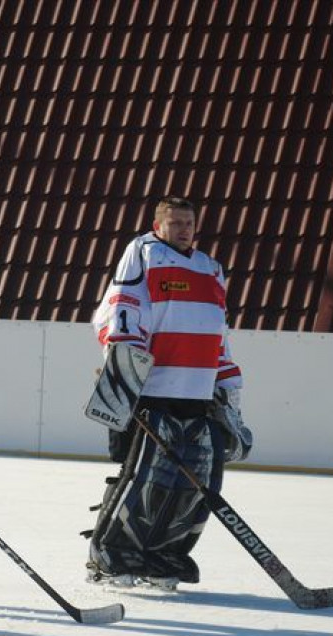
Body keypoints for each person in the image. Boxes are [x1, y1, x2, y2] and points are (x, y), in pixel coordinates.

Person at [86, 195, 243, 591]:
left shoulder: (211, 269)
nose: (184, 229)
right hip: (154, 389)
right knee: (146, 478)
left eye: (189, 223)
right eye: (175, 223)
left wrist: (229, 390)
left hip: (198, 391)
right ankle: (111, 552)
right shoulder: (143, 253)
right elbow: (123, 310)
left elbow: (218, 335)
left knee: (194, 482)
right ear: (159, 226)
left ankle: (164, 553)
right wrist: (126, 374)